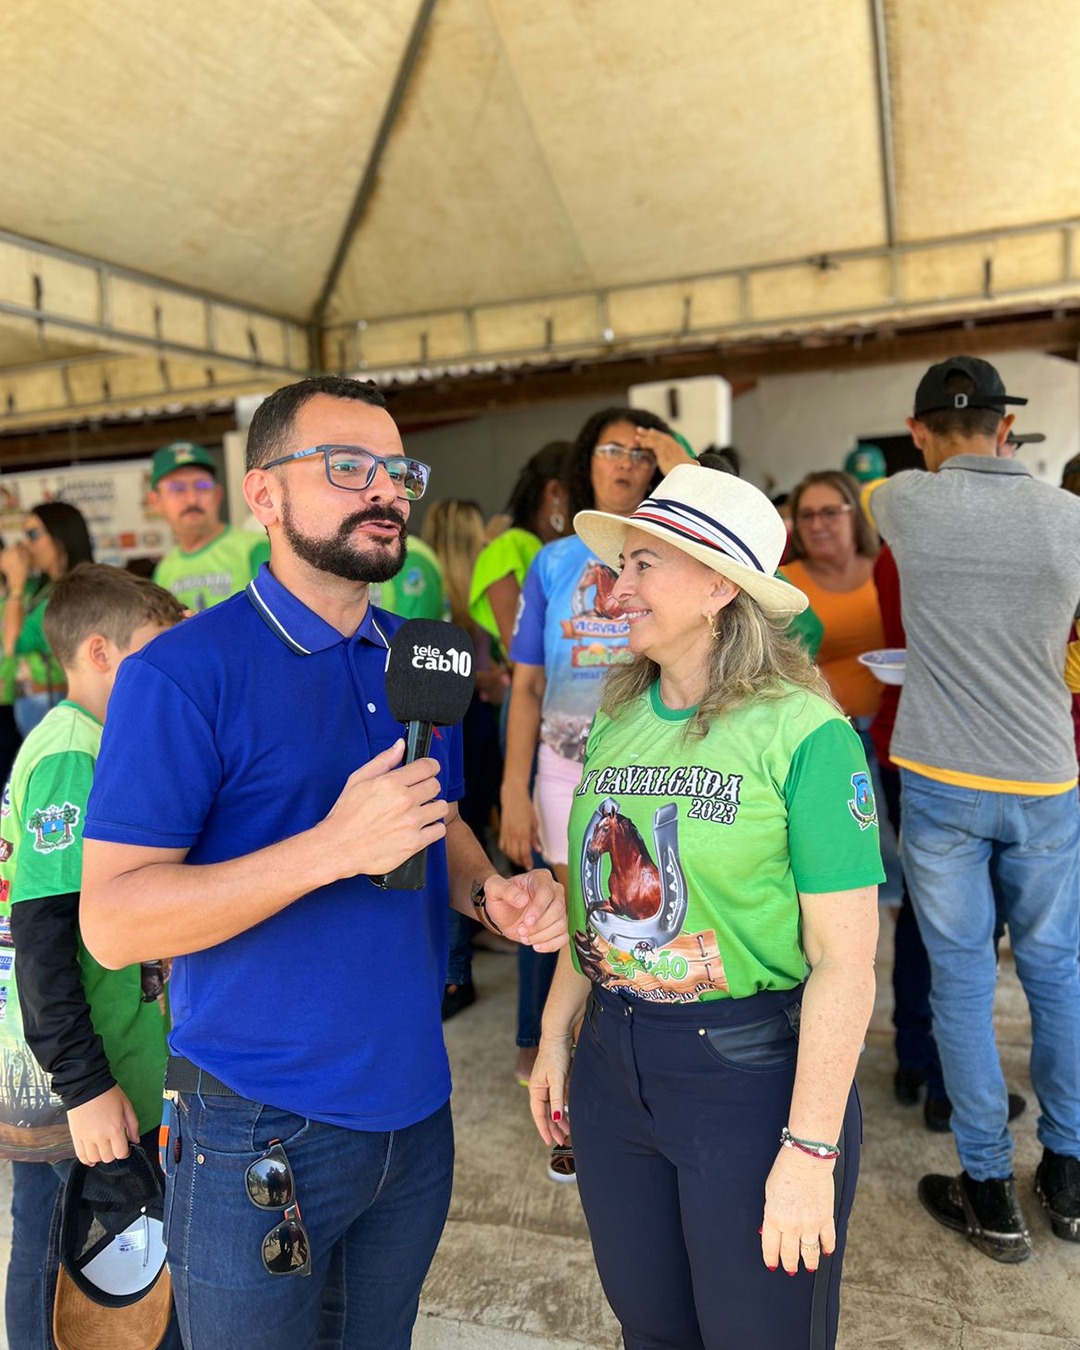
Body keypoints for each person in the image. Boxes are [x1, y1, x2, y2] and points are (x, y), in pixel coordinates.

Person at [78, 374, 568, 1350]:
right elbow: (114, 919)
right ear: (263, 494)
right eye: (348, 466)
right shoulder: (181, 674)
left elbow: (438, 822)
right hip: (259, 1137)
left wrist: (490, 892)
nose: (385, 490)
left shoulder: (425, 655)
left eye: (398, 470)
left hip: (417, 1119)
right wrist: (326, 851)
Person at [530, 464, 882, 1350]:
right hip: (615, 1064)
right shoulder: (617, 716)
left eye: (645, 564)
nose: (617, 587)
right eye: (622, 565)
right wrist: (552, 1036)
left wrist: (810, 1150)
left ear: (720, 585)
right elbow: (596, 904)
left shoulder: (808, 734)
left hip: (750, 1078)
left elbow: (846, 961)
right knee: (648, 1328)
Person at [870, 355, 1080, 1262]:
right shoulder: (1071, 517)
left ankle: (989, 1189)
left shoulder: (901, 503)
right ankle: (1069, 1179)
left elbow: (911, 485)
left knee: (959, 981)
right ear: (1008, 429)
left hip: (942, 777)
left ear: (919, 433)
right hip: (1044, 775)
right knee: (1057, 975)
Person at [0, 563, 185, 1349]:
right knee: (56, 1259)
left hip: (113, 1068)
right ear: (104, 654)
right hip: (73, 1083)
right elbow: (41, 935)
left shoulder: (98, 740)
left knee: (111, 1262)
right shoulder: (73, 753)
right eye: (158, 655)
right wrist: (84, 1086)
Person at [500, 407, 691, 1111]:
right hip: (561, 761)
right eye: (609, 447)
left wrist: (682, 458)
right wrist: (513, 789)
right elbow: (526, 683)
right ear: (586, 462)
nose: (623, 462)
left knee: (640, 908)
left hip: (652, 763)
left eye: (640, 453)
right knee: (566, 907)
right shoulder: (551, 564)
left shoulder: (680, 552)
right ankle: (559, 1047)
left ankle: (621, 1047)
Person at [421, 498, 502, 1019]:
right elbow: (486, 678)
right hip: (473, 728)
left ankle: (455, 970)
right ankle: (456, 973)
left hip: (440, 730)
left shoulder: (423, 585)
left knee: (440, 833)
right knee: (456, 831)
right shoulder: (472, 598)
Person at [781, 470, 884, 722]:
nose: (817, 525)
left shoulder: (887, 570)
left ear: (856, 515)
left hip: (892, 730)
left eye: (830, 513)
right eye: (807, 515)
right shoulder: (782, 583)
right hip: (823, 729)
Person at [468, 441, 570, 658]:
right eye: (583, 491)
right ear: (556, 492)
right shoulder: (507, 550)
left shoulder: (565, 550)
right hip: (537, 688)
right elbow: (522, 652)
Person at [1, 502, 95, 738]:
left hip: (57, 702)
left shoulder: (77, 589)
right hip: (31, 702)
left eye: (33, 534)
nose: (26, 545)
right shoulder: (42, 588)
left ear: (60, 535)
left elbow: (14, 642)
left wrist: (17, 585)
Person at [149, 440, 269, 611]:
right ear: (155, 502)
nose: (192, 499)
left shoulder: (256, 548)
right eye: (177, 488)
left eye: (202, 486)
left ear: (217, 495)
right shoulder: (164, 571)